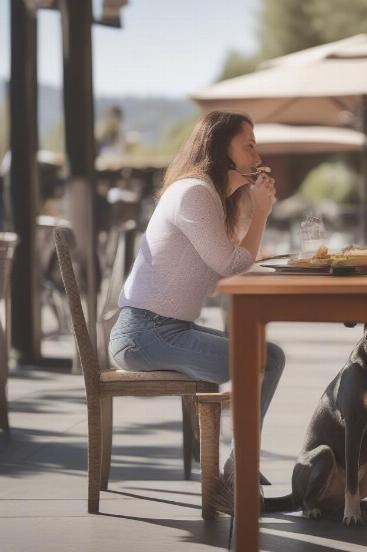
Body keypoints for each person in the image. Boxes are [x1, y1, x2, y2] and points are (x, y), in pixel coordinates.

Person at [109, 110, 285, 481]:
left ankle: (240, 463)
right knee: (264, 358)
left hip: (164, 330)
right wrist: (261, 214)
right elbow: (231, 265)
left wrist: (249, 241)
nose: (257, 157)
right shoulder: (195, 192)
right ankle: (241, 466)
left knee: (269, 355)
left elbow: (216, 276)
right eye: (249, 147)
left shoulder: (207, 197)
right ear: (223, 151)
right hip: (145, 334)